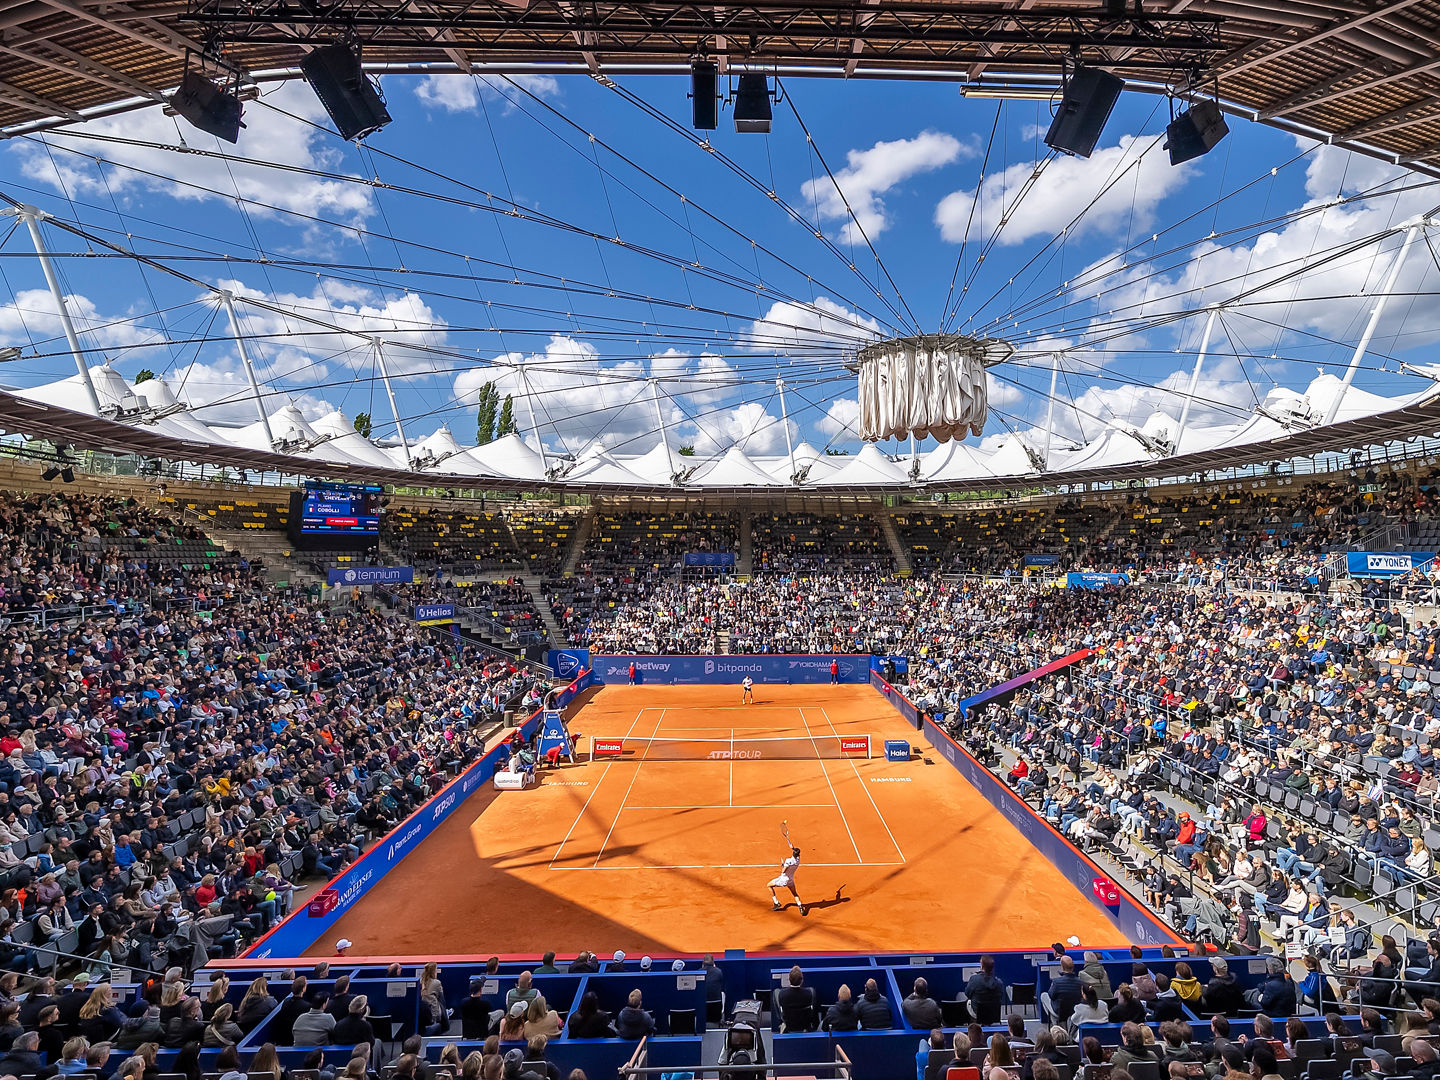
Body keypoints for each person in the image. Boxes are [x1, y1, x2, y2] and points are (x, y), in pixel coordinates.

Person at [967, 956, 1006, 1025]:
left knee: (968, 1002)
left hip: (977, 1013)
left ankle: (973, 1026)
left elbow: (967, 994)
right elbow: (1000, 997)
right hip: (994, 1014)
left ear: (982, 966)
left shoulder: (974, 979)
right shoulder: (999, 983)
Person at [769, 845, 806, 915]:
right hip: (791, 881)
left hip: (783, 880)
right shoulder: (798, 860)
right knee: (795, 894)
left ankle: (776, 903)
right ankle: (800, 907)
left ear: (793, 853)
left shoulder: (788, 861)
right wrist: (792, 847)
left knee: (769, 885)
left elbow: (783, 871)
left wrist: (782, 864)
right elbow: (796, 853)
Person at [777, 967, 817, 1032]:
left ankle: (780, 1021)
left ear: (789, 979)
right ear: (802, 980)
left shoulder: (782, 994)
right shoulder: (809, 993)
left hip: (789, 1024)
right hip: (804, 1024)